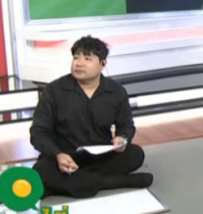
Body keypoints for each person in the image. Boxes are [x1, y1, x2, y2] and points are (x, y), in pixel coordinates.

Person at [30, 36, 154, 199]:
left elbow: (126, 125)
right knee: (42, 170)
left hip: (100, 157)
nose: (79, 63)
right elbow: (38, 132)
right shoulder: (54, 91)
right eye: (76, 58)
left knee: (135, 154)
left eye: (87, 59)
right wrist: (58, 154)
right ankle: (116, 181)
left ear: (103, 64)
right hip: (64, 158)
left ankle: (73, 183)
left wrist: (122, 138)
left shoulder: (116, 91)